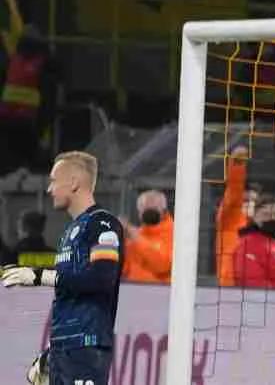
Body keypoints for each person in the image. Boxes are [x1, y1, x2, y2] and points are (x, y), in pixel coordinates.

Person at [1, 151, 123, 385]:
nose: (49, 189)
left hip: (86, 348)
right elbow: (69, 295)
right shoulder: (69, 232)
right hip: (64, 350)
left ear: (75, 183)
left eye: (54, 181)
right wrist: (51, 351)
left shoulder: (103, 225)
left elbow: (100, 279)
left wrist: (40, 276)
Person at [216, 145, 262, 286]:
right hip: (231, 286)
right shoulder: (230, 218)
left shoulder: (262, 228)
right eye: (247, 201)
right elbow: (234, 189)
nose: (250, 205)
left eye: (254, 201)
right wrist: (238, 163)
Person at [233, 196, 275, 289]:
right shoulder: (247, 245)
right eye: (266, 215)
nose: (272, 218)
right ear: (255, 219)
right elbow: (252, 284)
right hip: (274, 300)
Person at [121, 189, 174, 284]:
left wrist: (137, 238)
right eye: (143, 207)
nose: (147, 212)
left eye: (153, 207)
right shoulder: (137, 235)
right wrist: (119, 241)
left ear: (164, 209)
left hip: (160, 292)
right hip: (132, 290)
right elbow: (123, 269)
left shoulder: (174, 233)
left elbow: (163, 266)